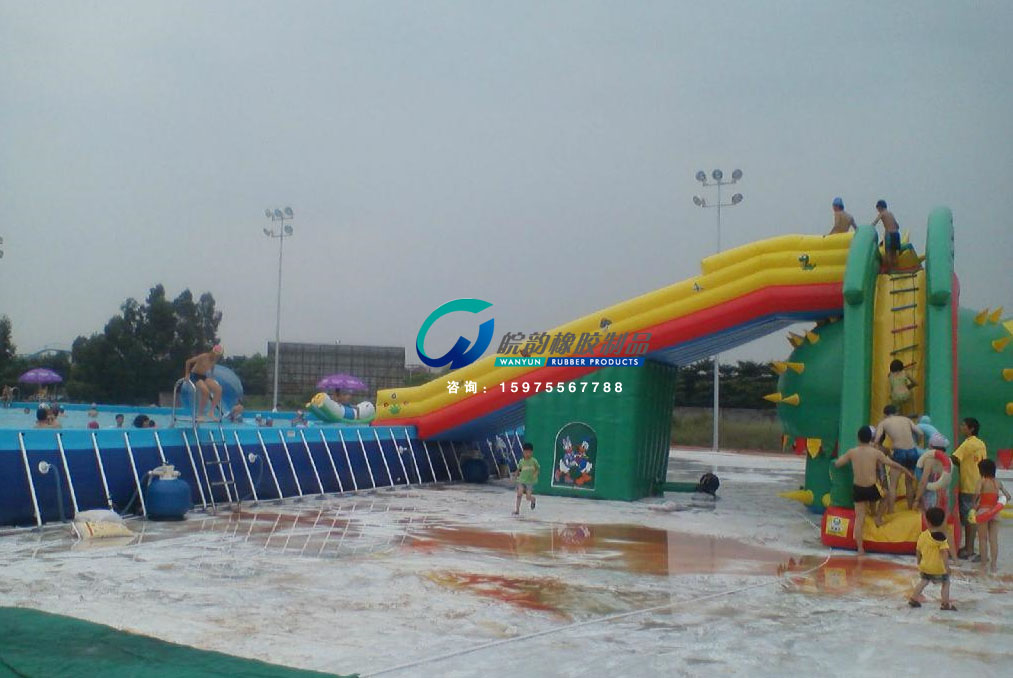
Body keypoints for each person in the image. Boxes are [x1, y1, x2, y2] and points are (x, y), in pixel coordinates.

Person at [834, 425, 915, 554]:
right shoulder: (875, 452)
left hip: (858, 489)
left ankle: (860, 548)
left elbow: (838, 463)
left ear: (858, 438)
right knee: (886, 495)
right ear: (871, 439)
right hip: (871, 488)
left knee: (859, 519)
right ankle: (878, 517)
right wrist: (906, 471)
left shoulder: (852, 452)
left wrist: (836, 461)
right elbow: (892, 464)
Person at [874, 405, 924, 511]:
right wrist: (917, 443)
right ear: (896, 412)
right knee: (909, 483)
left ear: (885, 414)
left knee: (893, 485)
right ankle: (910, 509)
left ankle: (891, 511)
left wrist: (874, 446)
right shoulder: (906, 419)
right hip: (912, 451)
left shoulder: (884, 422)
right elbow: (920, 432)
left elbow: (877, 438)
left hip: (899, 452)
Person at [952, 417, 987, 560]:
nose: (961, 427)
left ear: (971, 429)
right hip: (979, 484)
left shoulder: (967, 444)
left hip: (968, 485)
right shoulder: (981, 443)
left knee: (968, 519)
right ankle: (969, 546)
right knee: (972, 517)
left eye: (963, 425)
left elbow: (954, 458)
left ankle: (969, 549)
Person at [908, 507, 956, 610]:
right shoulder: (941, 538)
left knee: (923, 581)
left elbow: (918, 550)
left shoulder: (923, 535)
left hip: (925, 566)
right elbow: (944, 553)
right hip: (939, 568)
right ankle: (945, 604)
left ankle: (913, 598)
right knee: (946, 583)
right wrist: (947, 567)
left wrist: (919, 561)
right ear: (942, 522)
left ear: (927, 521)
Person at [974, 459, 1009, 574]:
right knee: (993, 539)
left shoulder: (982, 481)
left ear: (982, 470)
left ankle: (983, 564)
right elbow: (1008, 496)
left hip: (983, 511)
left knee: (982, 539)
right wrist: (1000, 501)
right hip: (995, 512)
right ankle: (993, 565)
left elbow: (976, 494)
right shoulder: (998, 482)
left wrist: (974, 506)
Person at [183, 344, 225, 421]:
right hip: (194, 375)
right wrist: (187, 374)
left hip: (203, 376)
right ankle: (200, 415)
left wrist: (211, 376)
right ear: (212, 352)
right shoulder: (203, 356)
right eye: (216, 354)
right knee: (206, 391)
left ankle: (211, 412)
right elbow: (188, 362)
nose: (216, 356)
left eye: (218, 355)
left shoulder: (215, 360)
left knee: (219, 389)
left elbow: (212, 366)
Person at [871, 199, 901, 271]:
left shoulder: (882, 213)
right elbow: (897, 226)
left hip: (889, 234)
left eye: (878, 209)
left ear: (880, 207)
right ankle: (896, 269)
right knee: (894, 253)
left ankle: (890, 270)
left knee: (888, 253)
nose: (878, 210)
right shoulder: (890, 213)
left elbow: (875, 223)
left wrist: (869, 228)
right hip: (896, 234)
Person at [513, 442, 540, 516]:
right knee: (519, 494)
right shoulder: (521, 461)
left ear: (532, 452)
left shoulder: (534, 461)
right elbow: (518, 469)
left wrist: (535, 474)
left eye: (529, 452)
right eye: (526, 452)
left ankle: (533, 499)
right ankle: (517, 510)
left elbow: (538, 469)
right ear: (523, 452)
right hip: (521, 481)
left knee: (528, 497)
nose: (527, 454)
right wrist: (515, 477)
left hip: (529, 482)